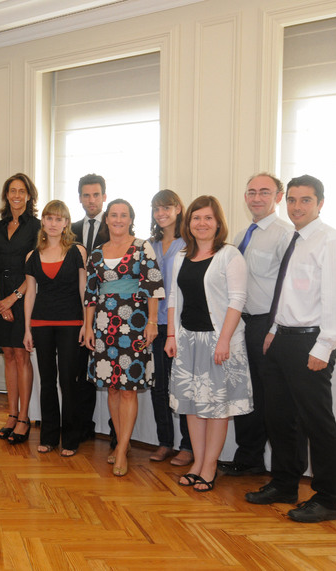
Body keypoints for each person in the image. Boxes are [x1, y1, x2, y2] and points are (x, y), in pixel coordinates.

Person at [245, 175, 336, 523]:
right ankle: (285, 483)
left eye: (305, 200)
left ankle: (327, 498)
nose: (296, 207)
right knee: (280, 419)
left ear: (320, 203)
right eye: (291, 200)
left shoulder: (332, 241)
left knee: (316, 422)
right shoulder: (296, 239)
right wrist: (274, 330)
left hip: (312, 341)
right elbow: (289, 292)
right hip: (281, 339)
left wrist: (325, 346)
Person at [165, 195, 252, 493]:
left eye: (207, 218)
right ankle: (197, 462)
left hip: (218, 341)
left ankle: (210, 466)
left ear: (218, 223)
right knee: (191, 405)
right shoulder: (181, 256)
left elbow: (237, 300)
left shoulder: (230, 255)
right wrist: (171, 335)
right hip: (188, 339)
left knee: (217, 407)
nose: (201, 223)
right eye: (196, 218)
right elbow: (174, 298)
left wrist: (224, 340)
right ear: (188, 224)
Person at [219, 173, 296, 477]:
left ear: (278, 197)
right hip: (241, 323)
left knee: (267, 395)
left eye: (265, 192)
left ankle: (277, 470)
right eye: (251, 192)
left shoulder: (285, 234)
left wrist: (274, 327)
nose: (256, 198)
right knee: (244, 391)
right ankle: (247, 458)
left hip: (267, 323)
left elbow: (287, 288)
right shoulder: (240, 235)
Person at [84, 199, 163, 477]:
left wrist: (152, 323)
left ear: (131, 219)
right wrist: (88, 326)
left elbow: (153, 286)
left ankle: (121, 449)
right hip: (105, 325)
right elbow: (90, 295)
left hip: (135, 325)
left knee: (128, 388)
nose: (118, 219)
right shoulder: (96, 253)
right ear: (106, 219)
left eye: (124, 215)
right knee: (112, 388)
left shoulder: (143, 247)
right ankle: (121, 444)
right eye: (114, 215)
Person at [23, 200, 86, 456]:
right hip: (41, 324)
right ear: (43, 222)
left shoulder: (78, 252)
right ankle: (49, 437)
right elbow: (30, 295)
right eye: (49, 218)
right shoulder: (31, 255)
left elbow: (85, 291)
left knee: (68, 381)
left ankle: (71, 439)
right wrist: (27, 329)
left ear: (66, 223)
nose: (53, 223)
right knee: (47, 381)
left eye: (59, 219)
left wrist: (87, 324)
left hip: (72, 323)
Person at [0, 173, 40, 445]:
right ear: (6, 195)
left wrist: (13, 298)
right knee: (7, 354)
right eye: (12, 191)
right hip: (1, 298)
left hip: (24, 296)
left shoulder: (37, 227)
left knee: (21, 356)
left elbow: (34, 269)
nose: (16, 195)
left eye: (22, 191)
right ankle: (11, 413)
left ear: (29, 196)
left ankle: (24, 418)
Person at [147, 190, 193, 467]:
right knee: (158, 387)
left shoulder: (188, 243)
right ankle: (165, 442)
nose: (161, 213)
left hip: (182, 326)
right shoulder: (150, 245)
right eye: (156, 209)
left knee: (182, 387)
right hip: (155, 325)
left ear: (178, 209)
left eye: (166, 207)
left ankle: (188, 445)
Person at [70, 173, 116, 446]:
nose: (91, 200)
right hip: (77, 311)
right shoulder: (70, 228)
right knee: (80, 373)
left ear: (104, 197)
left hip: (110, 310)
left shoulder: (115, 226)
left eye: (96, 195)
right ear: (80, 198)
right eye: (86, 195)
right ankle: (83, 427)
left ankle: (116, 432)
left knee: (112, 374)